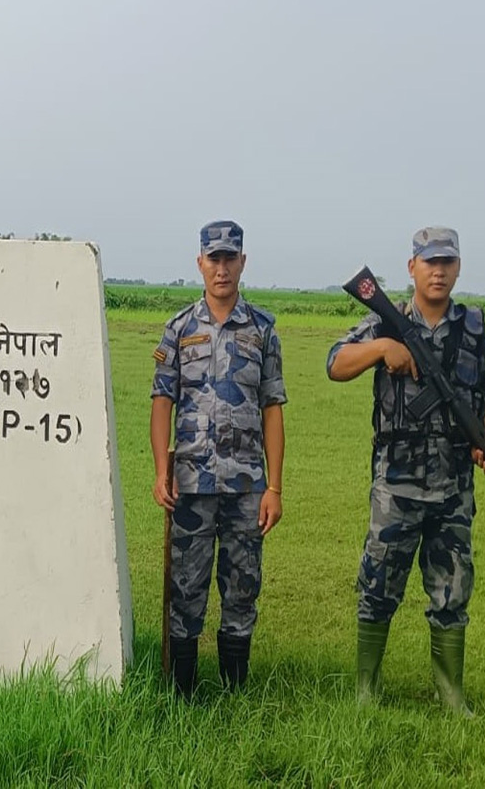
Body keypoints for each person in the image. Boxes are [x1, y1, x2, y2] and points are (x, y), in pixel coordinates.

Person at [327, 226, 485, 716]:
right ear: (412, 268)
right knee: (377, 586)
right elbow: (334, 363)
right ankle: (366, 689)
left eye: (447, 262)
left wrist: (483, 441)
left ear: (458, 268)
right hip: (396, 485)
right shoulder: (388, 322)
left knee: (452, 589)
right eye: (429, 262)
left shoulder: (473, 328)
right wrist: (383, 350)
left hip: (453, 486)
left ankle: (451, 693)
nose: (439, 271)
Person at [149, 220, 287, 699]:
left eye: (231, 258)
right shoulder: (180, 328)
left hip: (247, 485)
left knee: (242, 585)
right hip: (190, 481)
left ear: (243, 262)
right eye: (214, 259)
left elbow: (272, 408)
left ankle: (234, 692)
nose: (222, 268)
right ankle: (182, 693)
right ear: (200, 263)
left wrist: (275, 487)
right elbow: (162, 401)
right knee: (186, 588)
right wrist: (161, 472)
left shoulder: (263, 329)